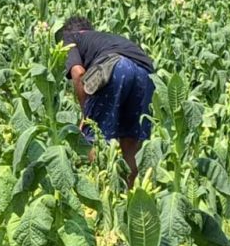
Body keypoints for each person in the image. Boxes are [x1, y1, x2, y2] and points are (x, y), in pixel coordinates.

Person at [56, 16, 156, 188]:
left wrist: (86, 114)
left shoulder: (70, 39)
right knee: (131, 140)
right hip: (146, 75)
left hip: (115, 68)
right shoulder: (107, 38)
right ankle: (128, 197)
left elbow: (78, 73)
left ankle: (99, 196)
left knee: (95, 138)